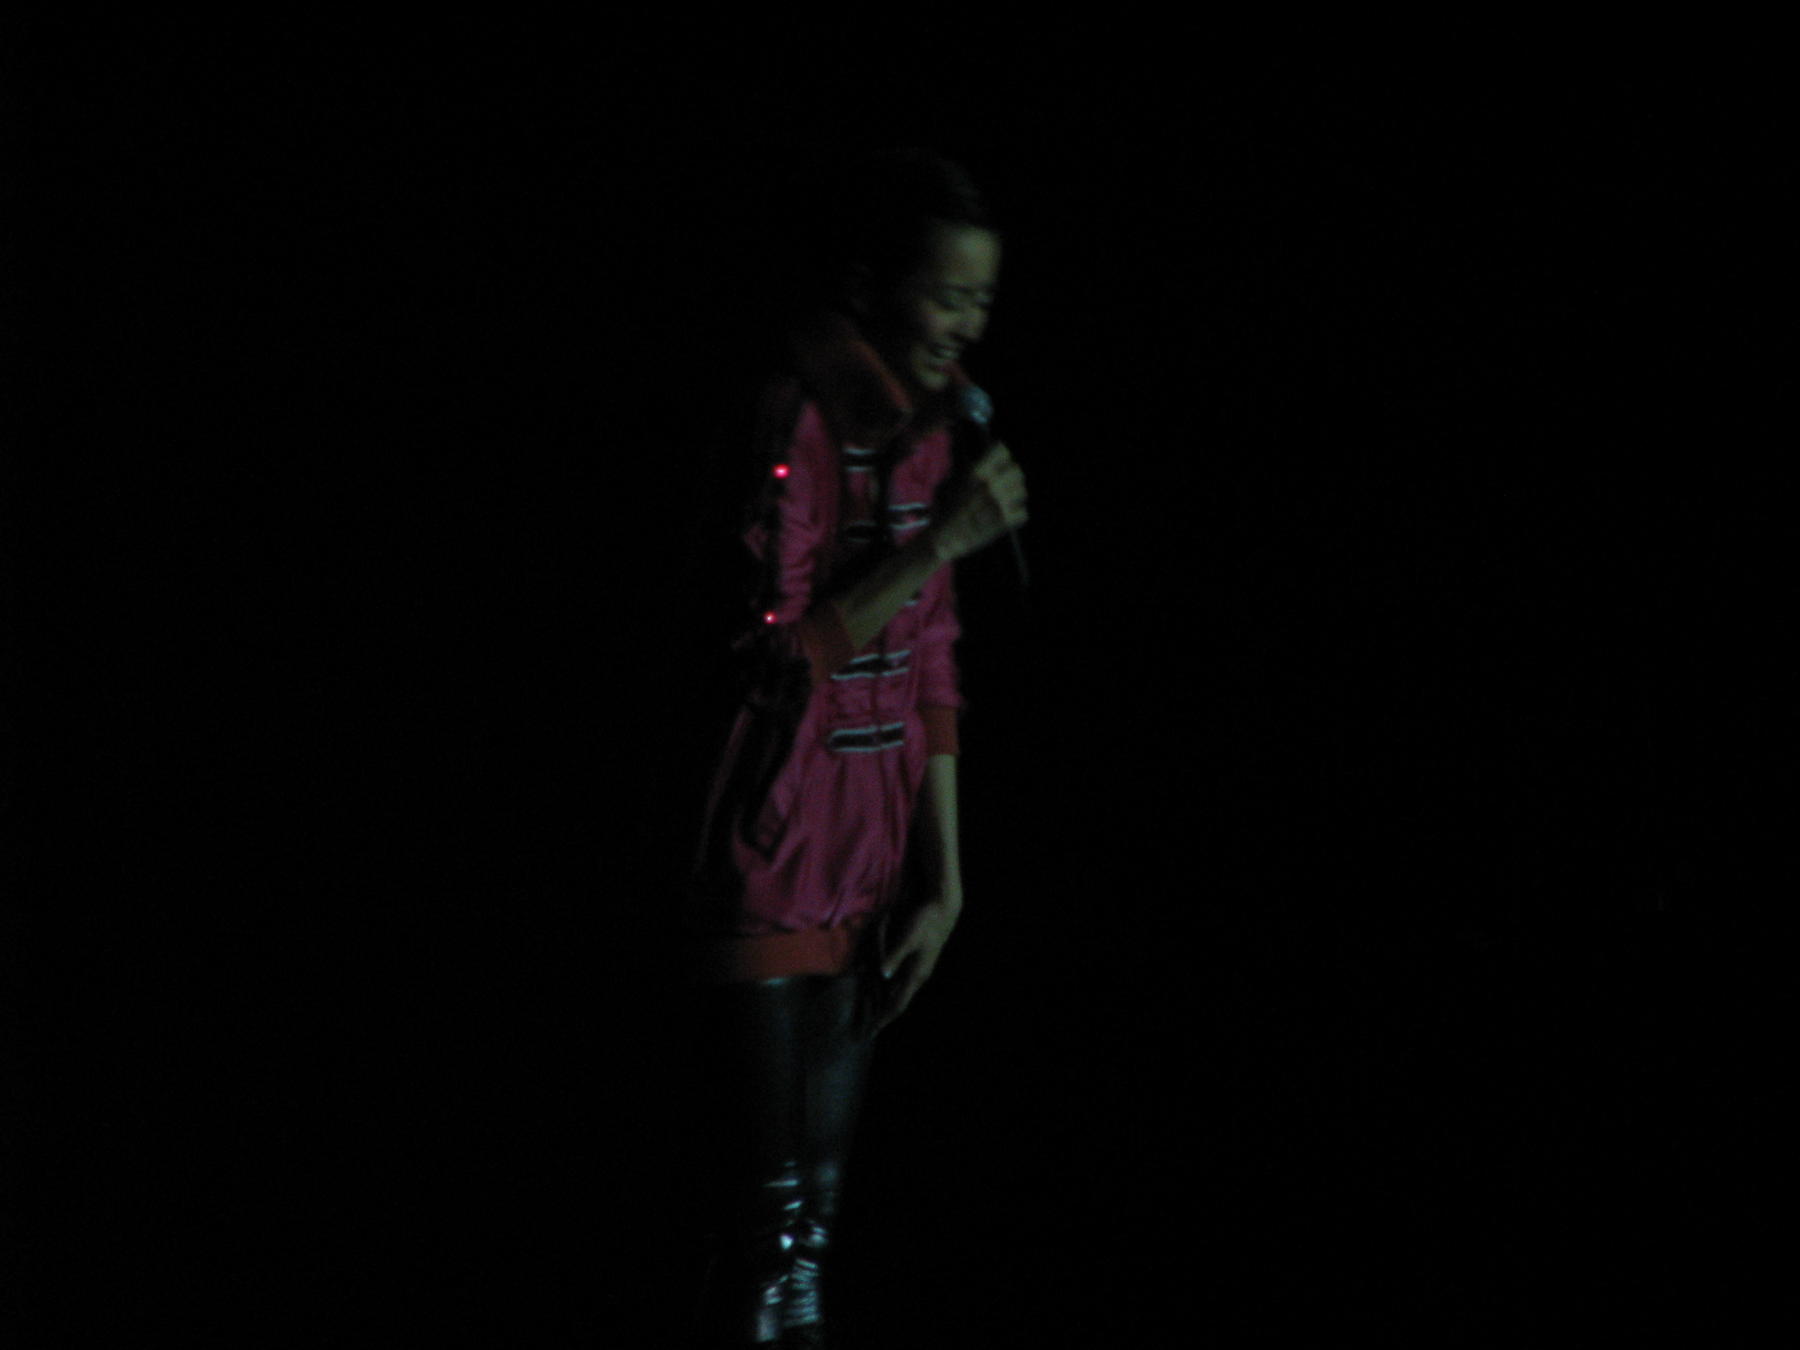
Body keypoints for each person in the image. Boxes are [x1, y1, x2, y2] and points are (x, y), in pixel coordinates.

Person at [684, 149, 1028, 1348]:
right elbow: (771, 662)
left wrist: (947, 879)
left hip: (869, 864)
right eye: (947, 295)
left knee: (816, 1240)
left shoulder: (935, 432)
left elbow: (933, 665)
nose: (966, 325)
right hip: (773, 849)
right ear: (878, 285)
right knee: (765, 1228)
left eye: (983, 300)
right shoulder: (800, 415)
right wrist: (936, 547)